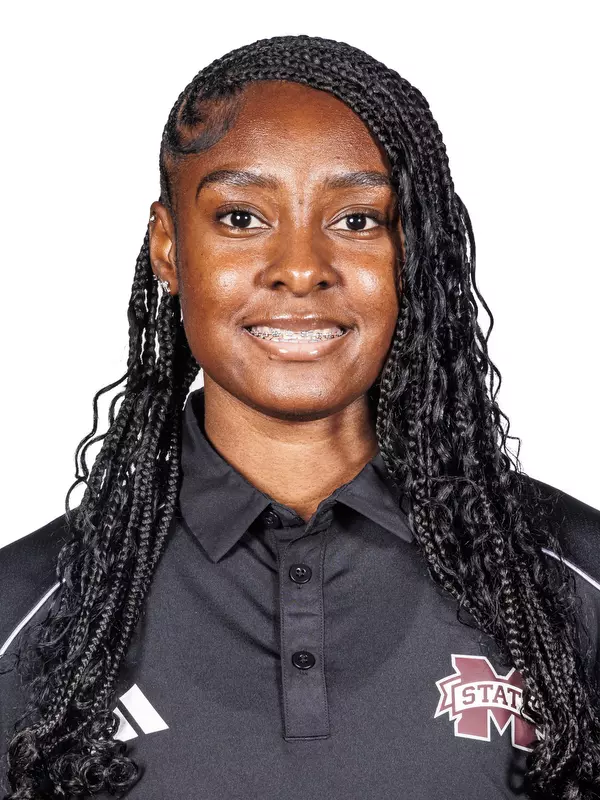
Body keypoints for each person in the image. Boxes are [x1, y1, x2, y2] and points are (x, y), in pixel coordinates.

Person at [1, 33, 599, 800]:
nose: (301, 268)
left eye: (357, 220)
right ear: (168, 247)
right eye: (242, 217)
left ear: (416, 251)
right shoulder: (26, 613)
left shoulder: (573, 587)